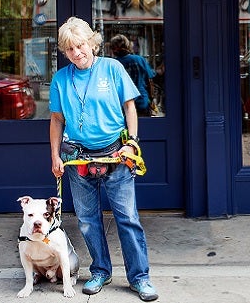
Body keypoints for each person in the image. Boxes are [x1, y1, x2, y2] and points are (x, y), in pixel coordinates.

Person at [49, 17, 158, 302]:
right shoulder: (61, 79)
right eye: (70, 49)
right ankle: (100, 271)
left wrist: (132, 143)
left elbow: (129, 108)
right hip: (78, 157)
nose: (77, 53)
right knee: (86, 220)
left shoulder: (112, 68)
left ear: (92, 43)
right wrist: (54, 156)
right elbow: (57, 120)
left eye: (81, 45)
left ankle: (140, 278)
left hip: (116, 155)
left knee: (127, 218)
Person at [109, 34, 157, 116]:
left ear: (114, 49)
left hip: (122, 105)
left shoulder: (112, 64)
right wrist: (151, 99)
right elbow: (150, 80)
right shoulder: (139, 60)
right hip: (141, 102)